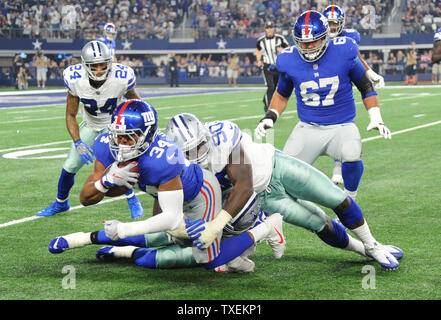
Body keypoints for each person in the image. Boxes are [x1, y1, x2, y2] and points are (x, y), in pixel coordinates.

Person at [48, 99, 285, 273]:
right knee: (152, 247)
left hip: (201, 194)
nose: (120, 143)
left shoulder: (163, 158)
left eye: (128, 137)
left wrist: (125, 230)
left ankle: (266, 227)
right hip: (166, 195)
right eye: (117, 134)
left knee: (209, 260)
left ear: (146, 136)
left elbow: (171, 219)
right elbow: (85, 198)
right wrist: (105, 182)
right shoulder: (106, 145)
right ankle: (84, 240)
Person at [253, 11, 403, 270]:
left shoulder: (344, 50)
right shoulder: (288, 58)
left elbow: (365, 86)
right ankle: (264, 225)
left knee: (352, 152)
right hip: (307, 128)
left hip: (341, 125)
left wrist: (376, 116)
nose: (308, 47)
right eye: (303, 42)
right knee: (275, 180)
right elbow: (282, 92)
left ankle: (349, 199)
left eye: (313, 41)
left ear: (327, 37)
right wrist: (270, 117)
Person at [167, 113, 403, 270]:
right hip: (265, 199)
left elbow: (244, 183)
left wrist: (215, 225)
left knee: (335, 198)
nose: (197, 154)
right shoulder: (177, 166)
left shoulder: (222, 135)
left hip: (276, 167)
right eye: (189, 151)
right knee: (319, 223)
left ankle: (373, 244)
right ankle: (365, 250)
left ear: (206, 135)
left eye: (199, 145)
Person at [36, 40, 144, 219]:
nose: (100, 69)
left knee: (117, 164)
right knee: (70, 165)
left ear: (110, 63)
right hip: (91, 125)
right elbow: (70, 115)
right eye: (95, 66)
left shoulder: (121, 77)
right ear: (85, 66)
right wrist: (77, 142)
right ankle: (61, 203)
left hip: (114, 127)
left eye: (103, 64)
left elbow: (137, 104)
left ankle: (132, 199)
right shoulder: (75, 79)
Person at [323, 4, 385, 187]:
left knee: (343, 124)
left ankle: (338, 166)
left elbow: (355, 58)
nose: (333, 27)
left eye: (336, 23)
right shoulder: (317, 37)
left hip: (343, 84)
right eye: (330, 23)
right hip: (322, 85)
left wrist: (371, 73)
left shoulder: (349, 38)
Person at [256, 21, 289, 112]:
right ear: (265, 29)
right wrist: (259, 60)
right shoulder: (261, 40)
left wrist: (282, 50)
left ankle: (265, 99)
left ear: (273, 28)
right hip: (267, 67)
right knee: (270, 87)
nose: (269, 30)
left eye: (271, 28)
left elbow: (288, 48)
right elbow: (258, 50)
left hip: (278, 66)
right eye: (267, 28)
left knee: (276, 88)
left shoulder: (280, 38)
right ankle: (268, 108)